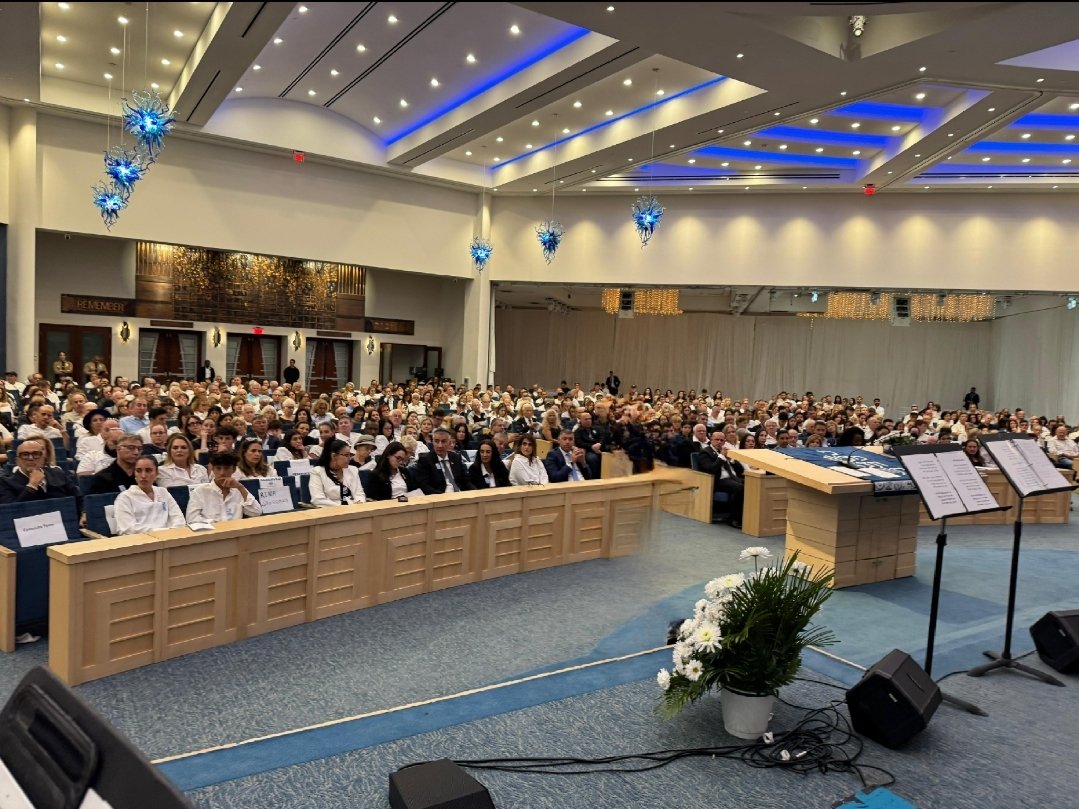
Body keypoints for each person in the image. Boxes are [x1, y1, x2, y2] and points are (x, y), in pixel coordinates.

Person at [0, 437, 82, 511]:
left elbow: (78, 498)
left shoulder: (57, 473)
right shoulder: (5, 482)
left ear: (43, 459)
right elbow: (10, 512)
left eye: (36, 454)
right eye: (25, 455)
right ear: (17, 461)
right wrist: (32, 486)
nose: (31, 458)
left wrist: (83, 513)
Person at [112, 456, 186, 535]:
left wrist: (172, 532)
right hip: (140, 542)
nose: (143, 475)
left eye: (148, 470)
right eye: (139, 471)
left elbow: (179, 519)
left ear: (157, 473)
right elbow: (127, 528)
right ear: (134, 473)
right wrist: (162, 532)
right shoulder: (125, 497)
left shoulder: (163, 492)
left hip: (169, 538)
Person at [186, 452, 263, 523]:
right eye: (218, 468)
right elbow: (191, 519)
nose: (222, 473)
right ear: (212, 469)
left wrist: (240, 487)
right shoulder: (199, 491)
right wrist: (216, 524)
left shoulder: (239, 490)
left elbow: (256, 512)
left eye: (226, 468)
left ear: (233, 469)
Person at [695, 430, 745, 528]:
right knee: (739, 488)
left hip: (732, 478)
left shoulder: (726, 452)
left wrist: (732, 459)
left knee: (752, 484)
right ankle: (734, 519)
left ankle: (748, 516)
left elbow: (740, 470)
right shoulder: (705, 452)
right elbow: (711, 469)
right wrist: (721, 456)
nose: (719, 442)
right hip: (717, 481)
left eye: (721, 440)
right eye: (717, 439)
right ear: (711, 439)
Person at [413, 427, 475, 495]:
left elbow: (466, 481)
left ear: (449, 443)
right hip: (440, 497)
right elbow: (425, 486)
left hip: (460, 495)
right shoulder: (425, 460)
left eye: (443, 441)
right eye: (436, 441)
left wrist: (475, 492)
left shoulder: (456, 457)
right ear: (432, 442)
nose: (440, 445)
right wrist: (442, 497)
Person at [309, 439, 366, 506]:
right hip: (331, 512)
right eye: (346, 455)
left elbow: (359, 494)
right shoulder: (317, 472)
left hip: (355, 510)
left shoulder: (353, 470)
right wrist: (345, 507)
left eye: (350, 455)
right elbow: (318, 500)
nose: (349, 458)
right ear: (334, 456)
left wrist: (359, 503)